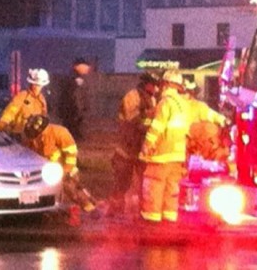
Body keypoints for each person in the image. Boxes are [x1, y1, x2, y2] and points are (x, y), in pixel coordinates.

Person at [22, 115, 99, 224]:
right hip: (45, 173)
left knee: (72, 191)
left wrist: (67, 170)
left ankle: (90, 209)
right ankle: (52, 215)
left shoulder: (59, 132)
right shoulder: (33, 138)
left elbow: (71, 153)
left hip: (64, 170)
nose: (35, 138)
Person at [139, 69, 193, 224]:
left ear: (167, 84)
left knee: (154, 184)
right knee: (172, 187)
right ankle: (169, 216)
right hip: (177, 155)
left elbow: (158, 126)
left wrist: (147, 144)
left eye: (163, 84)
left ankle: (152, 217)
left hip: (162, 153)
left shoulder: (165, 103)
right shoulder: (184, 104)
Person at [107, 71, 160, 217]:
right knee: (122, 181)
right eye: (153, 85)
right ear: (145, 83)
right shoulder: (132, 96)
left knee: (144, 182)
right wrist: (151, 116)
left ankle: (142, 210)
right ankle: (114, 210)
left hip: (140, 147)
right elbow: (131, 120)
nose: (155, 88)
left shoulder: (152, 99)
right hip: (127, 147)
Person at [0, 68, 49, 141]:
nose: (37, 87)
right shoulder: (22, 96)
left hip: (35, 137)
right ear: (31, 84)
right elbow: (10, 112)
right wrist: (2, 124)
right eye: (35, 85)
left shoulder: (42, 100)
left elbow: (43, 118)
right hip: (19, 136)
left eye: (39, 85)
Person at [183, 79, 229, 161]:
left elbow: (211, 114)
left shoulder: (197, 106)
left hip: (190, 144)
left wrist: (222, 119)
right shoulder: (170, 104)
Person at [58, 58, 91, 141]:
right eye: (85, 67)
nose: (87, 69)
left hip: (71, 113)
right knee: (73, 137)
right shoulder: (75, 79)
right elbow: (75, 96)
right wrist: (79, 111)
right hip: (73, 114)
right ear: (78, 67)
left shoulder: (72, 78)